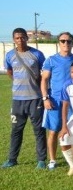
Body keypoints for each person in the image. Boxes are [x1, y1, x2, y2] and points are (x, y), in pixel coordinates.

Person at [2, 28, 47, 168]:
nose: (20, 40)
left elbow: (43, 73)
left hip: (35, 98)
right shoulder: (9, 55)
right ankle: (12, 159)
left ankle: (41, 160)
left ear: (27, 38)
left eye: (22, 37)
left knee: (39, 130)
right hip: (17, 100)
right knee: (16, 130)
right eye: (17, 38)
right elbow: (9, 71)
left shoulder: (37, 54)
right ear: (13, 39)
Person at [40, 31, 73, 170]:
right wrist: (45, 97)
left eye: (69, 41)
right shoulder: (51, 60)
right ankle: (52, 160)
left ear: (72, 43)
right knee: (53, 131)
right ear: (58, 43)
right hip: (55, 100)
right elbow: (44, 80)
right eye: (63, 41)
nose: (66, 43)